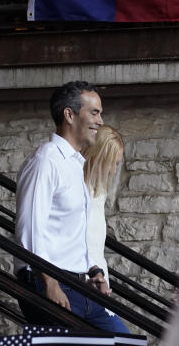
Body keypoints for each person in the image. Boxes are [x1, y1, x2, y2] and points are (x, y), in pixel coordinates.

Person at [14, 81, 128, 333]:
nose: (100, 121)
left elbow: (72, 234)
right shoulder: (46, 161)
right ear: (69, 114)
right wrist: (51, 284)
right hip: (51, 283)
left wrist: (94, 270)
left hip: (80, 284)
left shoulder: (75, 164)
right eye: (94, 112)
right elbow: (30, 230)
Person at [82, 125, 125, 295]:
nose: (114, 171)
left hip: (97, 276)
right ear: (97, 157)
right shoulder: (76, 187)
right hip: (83, 278)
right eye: (111, 163)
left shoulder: (98, 191)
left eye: (116, 164)